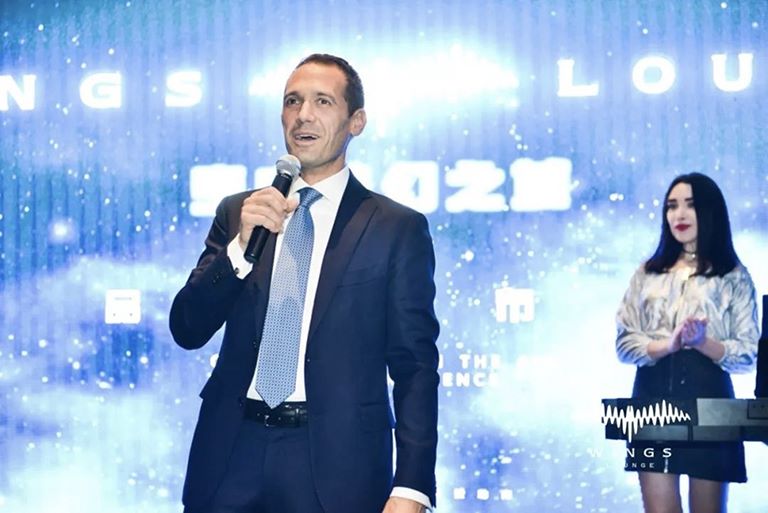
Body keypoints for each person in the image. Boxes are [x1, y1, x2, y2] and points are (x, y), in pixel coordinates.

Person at [170, 54, 439, 513]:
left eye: (322, 102)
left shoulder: (395, 228)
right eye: (292, 101)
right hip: (231, 454)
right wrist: (239, 249)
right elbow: (187, 328)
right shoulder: (241, 213)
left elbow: (415, 366)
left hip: (338, 464)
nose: (304, 115)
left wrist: (412, 485)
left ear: (356, 122)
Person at [615, 172, 759, 513]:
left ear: (709, 212)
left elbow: (749, 352)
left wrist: (702, 342)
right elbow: (624, 342)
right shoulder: (648, 272)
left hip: (711, 400)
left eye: (690, 205)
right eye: (671, 206)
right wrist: (670, 344)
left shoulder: (733, 275)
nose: (678, 215)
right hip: (652, 400)